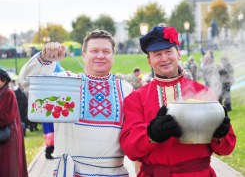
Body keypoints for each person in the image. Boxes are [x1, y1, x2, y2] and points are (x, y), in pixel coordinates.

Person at [119, 26, 236, 177]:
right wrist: (152, 133)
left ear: (178, 53)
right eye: (157, 54)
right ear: (149, 60)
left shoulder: (203, 93)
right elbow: (130, 149)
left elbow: (226, 149)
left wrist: (219, 134)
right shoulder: (136, 98)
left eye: (168, 51)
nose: (164, 58)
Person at [19, 29, 134, 176]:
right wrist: (45, 59)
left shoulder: (126, 89)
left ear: (113, 56)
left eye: (106, 51)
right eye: (94, 50)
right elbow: (27, 82)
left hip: (114, 173)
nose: (100, 55)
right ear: (84, 55)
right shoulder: (67, 82)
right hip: (71, 172)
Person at [0, 68, 28, 177]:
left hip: (8, 137)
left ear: (3, 80)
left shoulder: (8, 93)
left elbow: (6, 116)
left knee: (8, 167)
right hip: (5, 135)